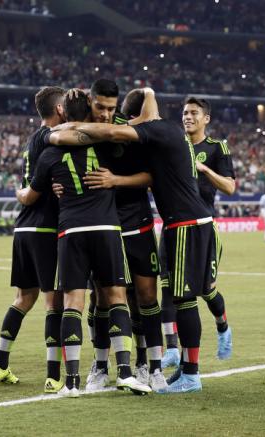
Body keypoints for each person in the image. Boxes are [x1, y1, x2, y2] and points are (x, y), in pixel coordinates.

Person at [54, 87, 217, 393]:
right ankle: (101, 366)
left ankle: (150, 367)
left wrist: (115, 180)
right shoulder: (95, 126)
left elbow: (152, 176)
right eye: (100, 107)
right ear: (91, 102)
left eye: (110, 108)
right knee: (102, 298)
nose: (105, 113)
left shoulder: (134, 131)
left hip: (138, 221)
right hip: (104, 224)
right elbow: (62, 152)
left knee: (145, 298)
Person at [17, 90, 152, 397]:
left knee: (72, 304)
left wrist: (21, 193)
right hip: (106, 227)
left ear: (64, 112)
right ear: (90, 112)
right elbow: (137, 132)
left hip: (71, 233)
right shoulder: (106, 145)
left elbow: (32, 195)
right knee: (117, 298)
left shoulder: (50, 149)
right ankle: (127, 373)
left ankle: (73, 382)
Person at [0, 86, 66, 394]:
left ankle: (0, 364)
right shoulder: (51, 138)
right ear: (59, 109)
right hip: (45, 228)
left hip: (23, 229)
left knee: (24, 299)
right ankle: (53, 375)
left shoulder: (31, 140)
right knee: (53, 302)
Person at [182, 97, 235, 360]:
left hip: (204, 227)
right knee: (172, 290)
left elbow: (229, 187)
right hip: (177, 227)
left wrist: (203, 169)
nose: (188, 117)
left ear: (206, 119)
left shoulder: (217, 147)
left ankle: (223, 326)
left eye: (194, 113)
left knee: (206, 289)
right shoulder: (176, 146)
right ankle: (175, 353)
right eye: (185, 113)